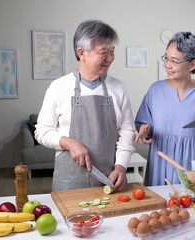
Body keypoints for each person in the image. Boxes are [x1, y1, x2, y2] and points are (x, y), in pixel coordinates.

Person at [35, 20, 135, 192]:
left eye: (112, 52)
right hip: (68, 182)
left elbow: (127, 130)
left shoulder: (118, 87)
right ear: (82, 53)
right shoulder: (58, 87)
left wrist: (121, 167)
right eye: (104, 52)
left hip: (109, 180)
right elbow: (42, 131)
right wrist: (68, 143)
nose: (110, 58)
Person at [135, 31, 195, 186]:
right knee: (162, 207)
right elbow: (144, 123)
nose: (167, 64)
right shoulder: (155, 90)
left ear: (192, 64)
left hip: (194, 163)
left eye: (174, 61)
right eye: (166, 58)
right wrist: (145, 130)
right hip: (161, 161)